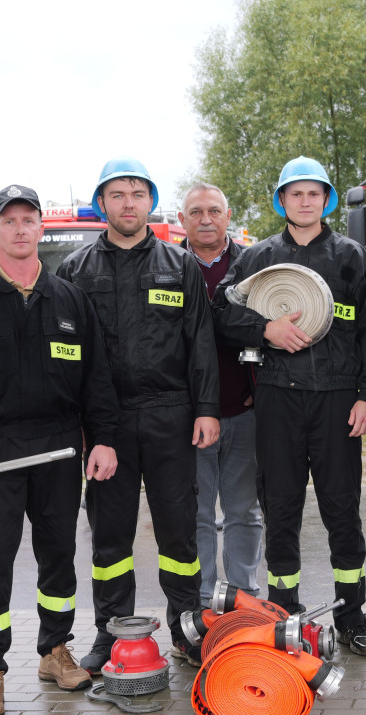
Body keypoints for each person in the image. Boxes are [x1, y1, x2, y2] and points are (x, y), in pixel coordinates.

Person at [0, 184, 120, 715]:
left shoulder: (69, 300)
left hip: (60, 449)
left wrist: (102, 437)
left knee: (58, 556)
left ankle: (55, 651)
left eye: (27, 219)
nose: (18, 229)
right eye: (8, 221)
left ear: (41, 229)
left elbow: (96, 381)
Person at [212, 156, 366, 655]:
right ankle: (283, 610)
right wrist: (264, 329)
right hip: (277, 400)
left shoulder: (354, 258)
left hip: (337, 402)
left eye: (314, 194)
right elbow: (222, 312)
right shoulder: (256, 259)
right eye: (295, 194)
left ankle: (351, 612)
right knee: (281, 507)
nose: (305, 202)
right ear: (282, 201)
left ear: (326, 200)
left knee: (342, 510)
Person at [57, 157, 220, 671]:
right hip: (106, 425)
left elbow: (201, 344)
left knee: (179, 533)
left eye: (138, 194)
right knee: (110, 534)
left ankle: (186, 630)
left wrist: (207, 409)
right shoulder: (75, 271)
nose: (129, 204)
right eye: (118, 195)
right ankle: (110, 637)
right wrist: (80, 424)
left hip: (171, 414)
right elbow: (65, 353)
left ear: (151, 202)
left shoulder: (180, 264)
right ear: (101, 203)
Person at [178, 183, 264, 599]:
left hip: (245, 411)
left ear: (229, 216)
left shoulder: (257, 263)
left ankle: (245, 597)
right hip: (189, 417)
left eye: (214, 211)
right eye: (196, 212)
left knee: (244, 511)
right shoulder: (167, 266)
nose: (206, 219)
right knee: (196, 513)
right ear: (182, 220)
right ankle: (203, 602)